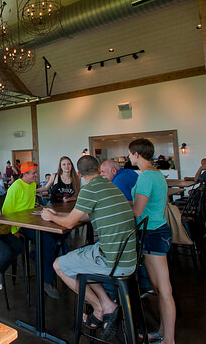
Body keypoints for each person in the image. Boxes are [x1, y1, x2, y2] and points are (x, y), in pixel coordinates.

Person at [44, 155, 137, 341]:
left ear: (79, 173)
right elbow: (89, 214)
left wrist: (51, 217)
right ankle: (105, 303)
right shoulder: (110, 186)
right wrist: (60, 214)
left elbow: (69, 224)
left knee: (58, 265)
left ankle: (101, 307)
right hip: (128, 257)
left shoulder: (89, 190)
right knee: (75, 256)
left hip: (112, 261)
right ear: (98, 169)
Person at [127, 138, 176, 343]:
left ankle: (169, 339)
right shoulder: (155, 174)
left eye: (129, 153)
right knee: (158, 288)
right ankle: (163, 332)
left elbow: (137, 210)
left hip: (153, 234)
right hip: (158, 231)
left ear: (137, 154)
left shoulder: (147, 176)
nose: (129, 157)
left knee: (164, 291)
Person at [2, 161, 62, 299]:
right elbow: (6, 210)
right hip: (21, 224)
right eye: (34, 173)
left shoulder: (33, 185)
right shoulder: (15, 187)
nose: (36, 175)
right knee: (48, 241)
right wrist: (13, 230)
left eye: (36, 172)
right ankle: (47, 281)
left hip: (33, 220)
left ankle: (36, 255)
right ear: (25, 174)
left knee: (59, 233)